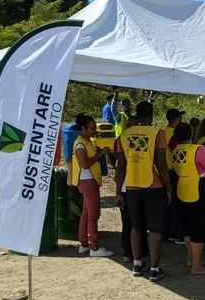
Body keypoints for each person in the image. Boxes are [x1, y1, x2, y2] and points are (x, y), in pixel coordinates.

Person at [115, 101, 171, 281]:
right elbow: (162, 165)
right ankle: (155, 269)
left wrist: (118, 191)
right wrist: (169, 188)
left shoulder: (124, 135)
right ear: (151, 115)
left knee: (136, 226)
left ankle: (137, 265)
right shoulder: (157, 134)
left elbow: (120, 168)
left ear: (136, 115)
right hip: (153, 187)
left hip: (131, 187)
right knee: (155, 229)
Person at [172, 123, 205, 275]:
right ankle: (197, 267)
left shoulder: (176, 151)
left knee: (187, 227)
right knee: (199, 227)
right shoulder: (197, 150)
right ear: (191, 134)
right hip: (199, 190)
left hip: (183, 190)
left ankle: (192, 259)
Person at [71, 113, 113, 257]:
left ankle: (84, 243)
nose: (95, 130)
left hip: (89, 180)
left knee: (87, 213)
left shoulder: (87, 141)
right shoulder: (80, 144)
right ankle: (94, 247)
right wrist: (100, 154)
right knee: (94, 215)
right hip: (87, 180)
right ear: (84, 128)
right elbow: (85, 164)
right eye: (92, 128)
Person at [117, 116, 145, 262]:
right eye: (128, 125)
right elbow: (119, 168)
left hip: (139, 186)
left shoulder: (126, 140)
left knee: (137, 221)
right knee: (129, 222)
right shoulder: (126, 140)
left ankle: (138, 251)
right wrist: (117, 192)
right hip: (128, 187)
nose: (130, 127)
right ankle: (129, 252)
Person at [164, 108, 186, 243]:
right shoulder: (174, 134)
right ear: (177, 119)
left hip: (163, 170)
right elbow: (178, 150)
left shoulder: (162, 132)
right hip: (173, 171)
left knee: (168, 202)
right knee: (176, 203)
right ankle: (176, 233)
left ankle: (167, 231)